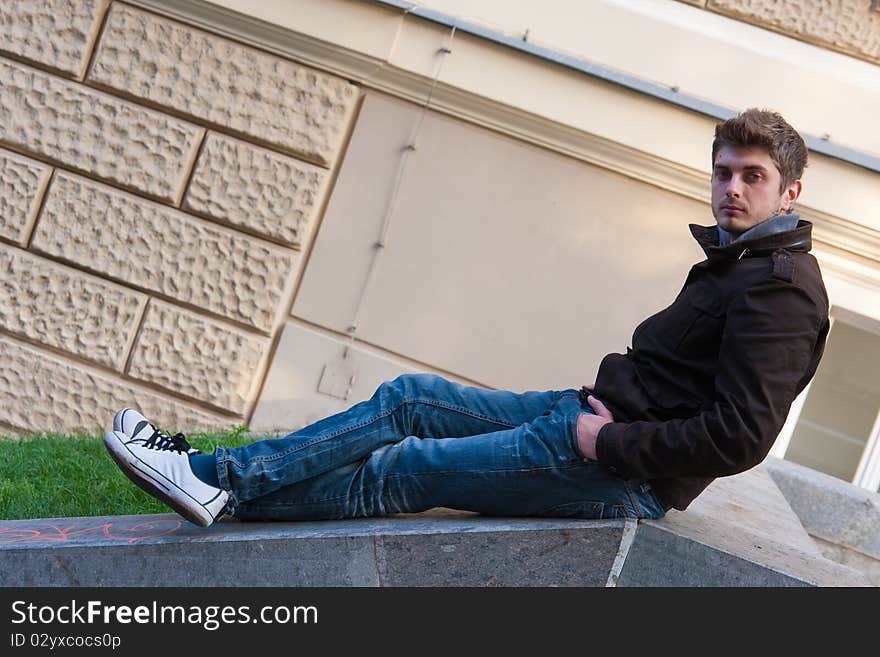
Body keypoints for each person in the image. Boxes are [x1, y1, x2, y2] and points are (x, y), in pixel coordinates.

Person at [104, 108, 829, 528]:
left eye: (752, 176)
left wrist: (607, 445)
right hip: (583, 415)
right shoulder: (744, 262)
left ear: (788, 192)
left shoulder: (782, 289)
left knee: (409, 468)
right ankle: (218, 476)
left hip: (615, 472)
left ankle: (218, 487)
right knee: (409, 398)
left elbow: (740, 436)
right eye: (723, 171)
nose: (731, 188)